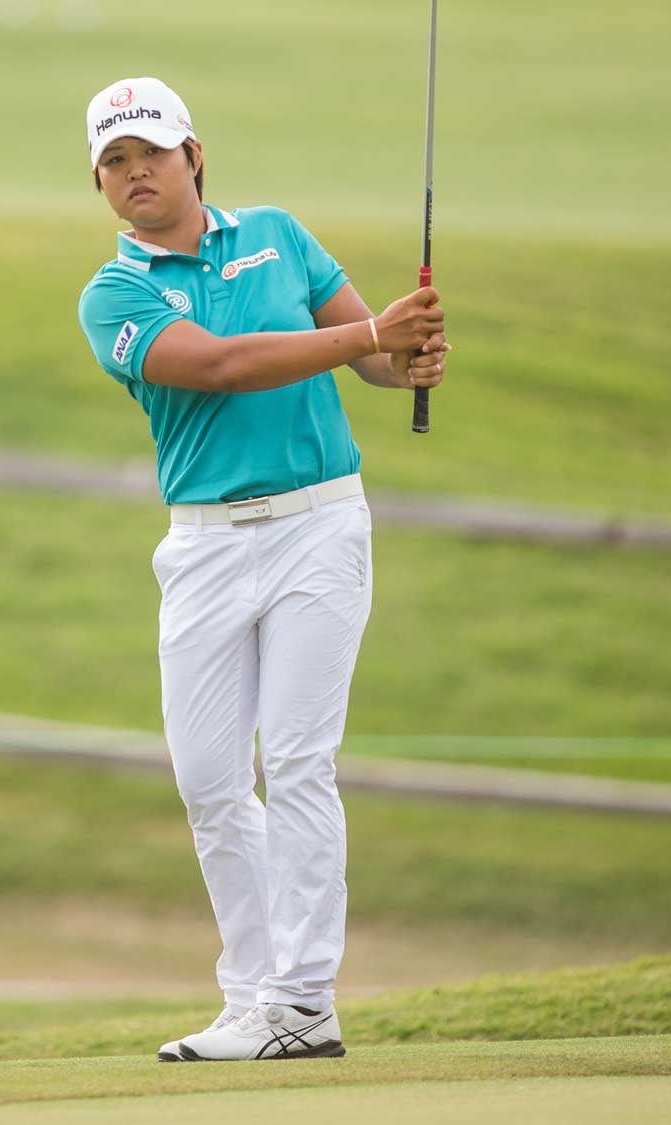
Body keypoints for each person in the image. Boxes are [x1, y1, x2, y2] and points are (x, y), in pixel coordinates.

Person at [75, 76, 448, 1062]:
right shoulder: (112, 294)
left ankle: (298, 1004)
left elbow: (366, 357)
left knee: (293, 761)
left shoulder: (280, 234)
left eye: (149, 152)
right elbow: (220, 365)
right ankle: (250, 997)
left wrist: (400, 357)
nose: (133, 174)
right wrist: (368, 337)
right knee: (205, 779)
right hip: (201, 545)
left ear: (192, 154)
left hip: (319, 528)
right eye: (112, 162)